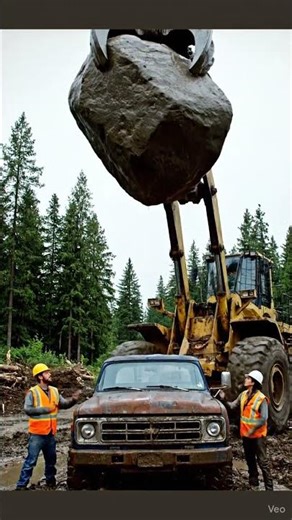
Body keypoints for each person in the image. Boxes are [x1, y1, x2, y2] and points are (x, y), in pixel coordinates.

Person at [16, 363, 81, 490]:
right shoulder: (33, 392)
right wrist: (46, 409)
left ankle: (51, 482)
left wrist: (73, 400)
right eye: (46, 373)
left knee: (51, 461)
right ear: (40, 377)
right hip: (37, 435)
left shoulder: (54, 391)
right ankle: (21, 486)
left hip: (50, 434)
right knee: (31, 461)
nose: (49, 374)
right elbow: (27, 409)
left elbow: (64, 404)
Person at [219, 369, 273, 491]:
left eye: (248, 378)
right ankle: (254, 485)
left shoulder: (261, 399)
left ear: (253, 382)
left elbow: (264, 418)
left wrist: (252, 429)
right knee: (250, 460)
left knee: (263, 462)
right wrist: (223, 399)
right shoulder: (243, 395)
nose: (246, 379)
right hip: (246, 436)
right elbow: (232, 406)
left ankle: (269, 489)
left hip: (258, 436)